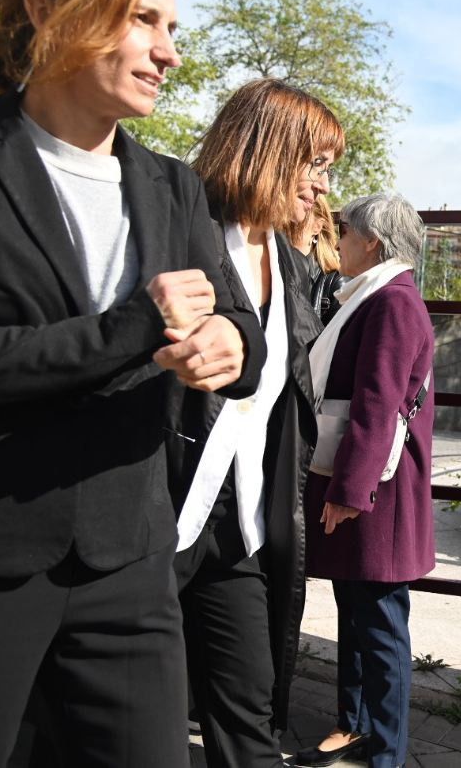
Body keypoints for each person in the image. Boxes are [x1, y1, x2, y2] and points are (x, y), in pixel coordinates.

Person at [0, 0, 266, 768]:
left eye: (171, 28)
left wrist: (225, 345)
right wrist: (135, 327)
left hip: (131, 563)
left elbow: (240, 324)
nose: (167, 51)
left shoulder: (173, 185)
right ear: (48, 11)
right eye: (142, 20)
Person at [168, 78, 343, 768]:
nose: (324, 188)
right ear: (271, 149)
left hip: (236, 531)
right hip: (154, 520)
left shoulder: (293, 267)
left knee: (249, 719)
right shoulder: (181, 228)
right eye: (317, 165)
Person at [296, 194, 436, 768]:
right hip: (356, 484)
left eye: (344, 230)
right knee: (353, 614)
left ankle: (388, 752)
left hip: (375, 492)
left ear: (373, 240)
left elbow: (379, 405)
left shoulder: (393, 303)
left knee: (380, 627)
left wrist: (351, 492)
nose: (337, 241)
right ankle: (352, 727)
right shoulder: (371, 296)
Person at [290, 194, 346, 325]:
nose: (283, 231)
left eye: (293, 224)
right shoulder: (269, 270)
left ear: (317, 226)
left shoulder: (336, 284)